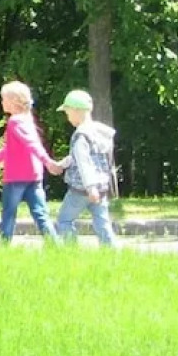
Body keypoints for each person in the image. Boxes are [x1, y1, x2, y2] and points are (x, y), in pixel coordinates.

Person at [0, 81, 63, 243]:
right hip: (34, 176)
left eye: (3, 99)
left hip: (16, 177)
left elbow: (31, 144)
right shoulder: (27, 120)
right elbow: (9, 149)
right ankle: (55, 245)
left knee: (9, 215)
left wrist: (48, 161)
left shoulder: (15, 121)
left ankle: (4, 247)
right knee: (40, 213)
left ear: (13, 101)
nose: (1, 102)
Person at [54, 90, 118, 247]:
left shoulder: (81, 136)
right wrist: (63, 164)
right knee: (102, 222)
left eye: (68, 112)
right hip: (101, 187)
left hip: (81, 189)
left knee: (64, 220)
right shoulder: (99, 133)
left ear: (76, 111)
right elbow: (87, 158)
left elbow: (84, 163)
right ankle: (111, 251)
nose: (67, 117)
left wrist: (90, 188)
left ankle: (71, 250)